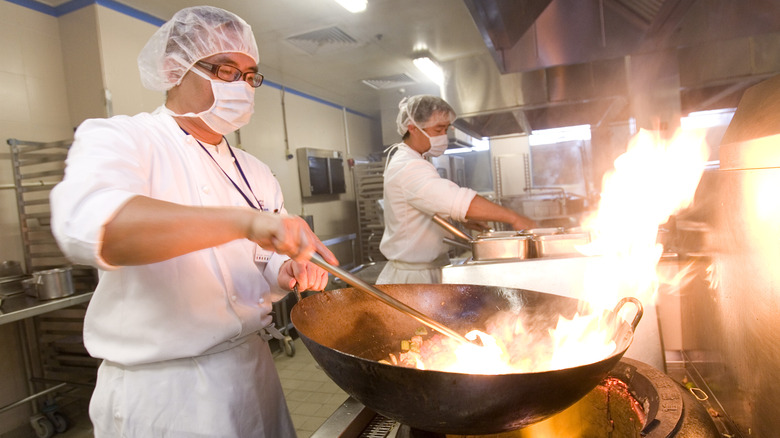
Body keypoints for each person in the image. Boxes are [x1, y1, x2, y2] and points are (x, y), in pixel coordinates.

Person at [49, 6, 337, 437]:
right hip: (167, 392)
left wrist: (291, 267)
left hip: (254, 371)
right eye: (225, 70)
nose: (242, 86)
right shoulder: (123, 138)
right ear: (173, 68)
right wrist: (248, 222)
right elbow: (97, 229)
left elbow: (262, 259)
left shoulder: (254, 170)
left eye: (250, 75)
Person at [376, 95, 535, 284]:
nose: (444, 136)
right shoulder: (408, 167)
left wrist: (465, 220)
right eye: (438, 129)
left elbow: (427, 207)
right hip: (414, 280)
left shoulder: (415, 160)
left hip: (425, 272)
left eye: (445, 129)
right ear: (412, 127)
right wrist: (514, 218)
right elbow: (457, 200)